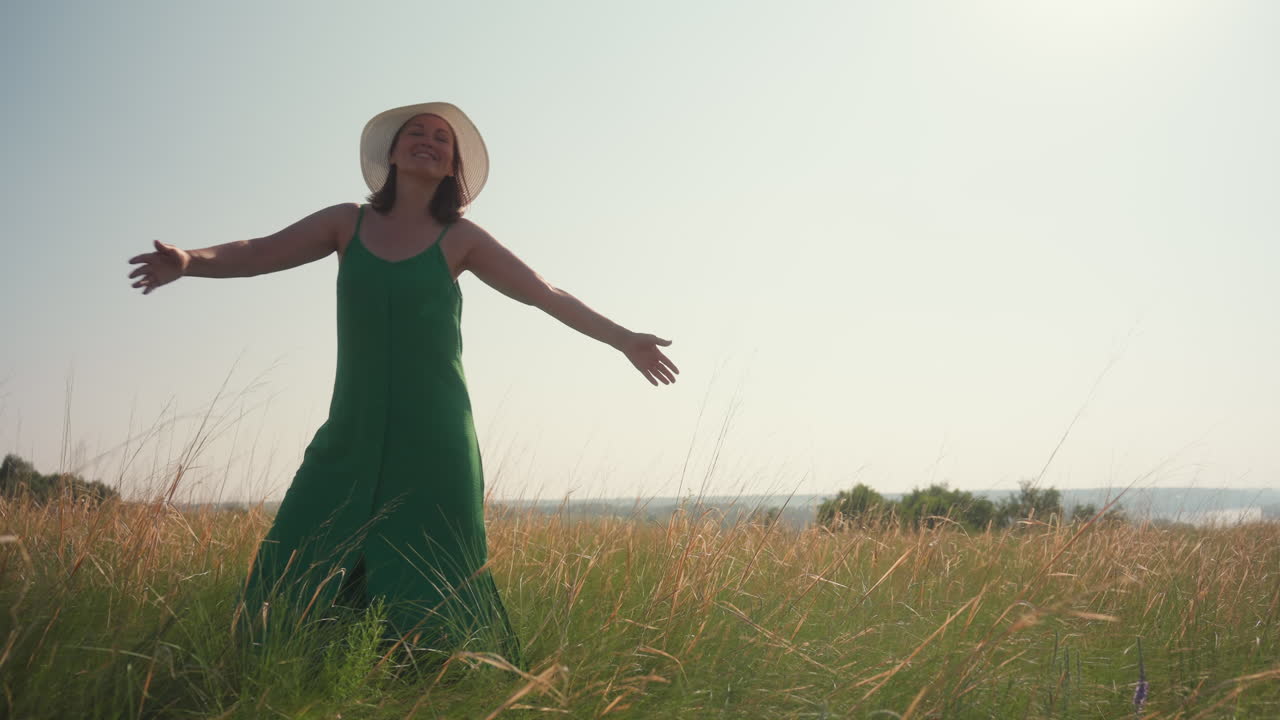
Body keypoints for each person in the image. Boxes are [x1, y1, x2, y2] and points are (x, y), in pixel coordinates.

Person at [126, 102, 679, 671]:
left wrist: (623, 338)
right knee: (302, 543)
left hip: (435, 434)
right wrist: (192, 260)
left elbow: (543, 292)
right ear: (391, 154)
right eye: (416, 133)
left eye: (442, 139)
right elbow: (259, 252)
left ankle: (446, 679)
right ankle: (280, 665)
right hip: (353, 427)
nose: (429, 141)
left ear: (451, 169)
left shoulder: (460, 238)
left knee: (437, 561)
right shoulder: (347, 223)